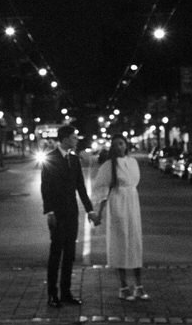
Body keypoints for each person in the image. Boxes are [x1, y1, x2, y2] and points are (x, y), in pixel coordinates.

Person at [41, 125, 95, 308]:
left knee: (70, 254)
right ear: (64, 139)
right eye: (73, 137)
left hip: (72, 213)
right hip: (57, 213)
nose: (76, 140)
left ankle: (66, 293)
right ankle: (52, 294)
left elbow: (80, 186)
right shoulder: (51, 158)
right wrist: (49, 211)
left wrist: (90, 210)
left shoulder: (74, 159)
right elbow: (45, 188)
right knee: (56, 254)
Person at [91, 134, 148, 301]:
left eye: (121, 143)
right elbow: (101, 189)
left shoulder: (132, 162)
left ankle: (139, 285)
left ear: (126, 145)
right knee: (121, 242)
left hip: (132, 203)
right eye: (115, 144)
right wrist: (99, 212)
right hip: (118, 204)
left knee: (135, 242)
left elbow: (134, 182)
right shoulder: (109, 166)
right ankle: (123, 286)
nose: (119, 147)